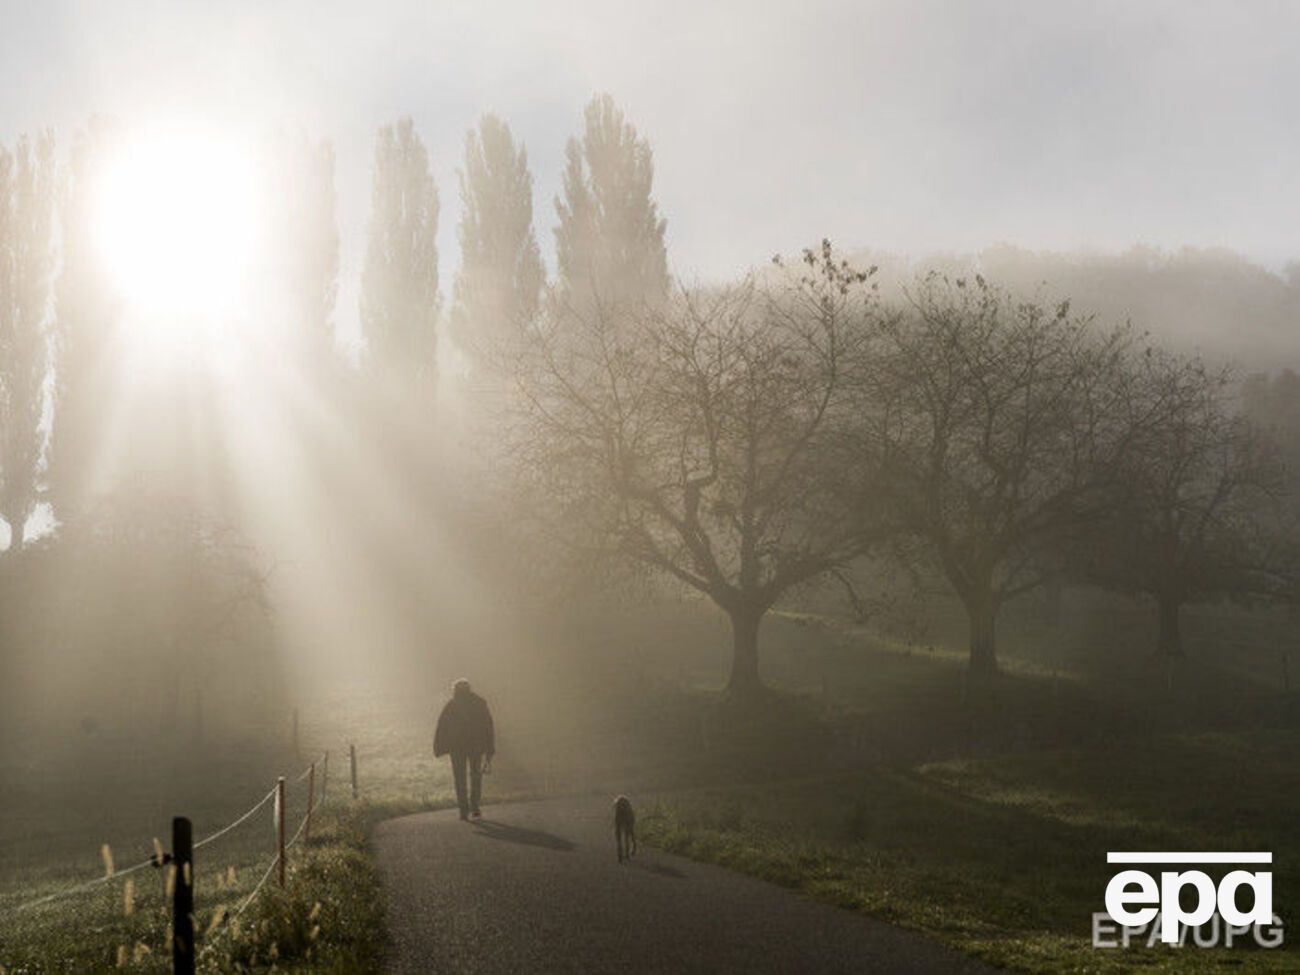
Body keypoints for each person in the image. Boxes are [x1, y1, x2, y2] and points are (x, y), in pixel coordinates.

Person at [433, 678, 495, 820]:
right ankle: (475, 806)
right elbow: (488, 726)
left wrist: (440, 747)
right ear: (469, 689)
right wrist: (490, 748)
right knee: (476, 776)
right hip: (476, 746)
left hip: (457, 748)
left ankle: (463, 809)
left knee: (459, 778)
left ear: (455, 690)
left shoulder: (451, 705)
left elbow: (442, 728)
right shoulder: (479, 703)